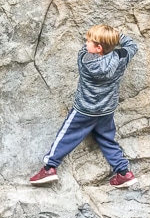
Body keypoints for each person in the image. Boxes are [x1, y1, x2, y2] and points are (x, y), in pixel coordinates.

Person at [30, 24, 139, 188]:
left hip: (84, 110)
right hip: (106, 110)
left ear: (98, 47)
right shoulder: (122, 57)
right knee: (107, 140)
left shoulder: (85, 59)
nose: (86, 43)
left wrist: (104, 39)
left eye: (89, 41)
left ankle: (49, 168)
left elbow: (87, 50)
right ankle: (124, 173)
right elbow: (132, 46)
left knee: (66, 135)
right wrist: (116, 36)